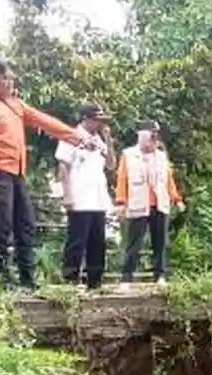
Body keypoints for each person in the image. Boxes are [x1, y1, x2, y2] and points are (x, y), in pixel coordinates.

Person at [0, 59, 97, 290]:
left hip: (17, 171)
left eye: (11, 78)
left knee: (25, 224)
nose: (11, 81)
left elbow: (44, 121)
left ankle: (28, 279)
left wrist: (77, 137)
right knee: (1, 225)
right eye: (6, 77)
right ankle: (0, 278)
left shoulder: (15, 104)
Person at [115, 121, 184, 284]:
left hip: (159, 204)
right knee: (134, 243)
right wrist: (121, 202)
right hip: (138, 203)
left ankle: (159, 275)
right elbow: (122, 179)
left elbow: (168, 180)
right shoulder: (129, 155)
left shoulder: (161, 156)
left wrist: (176, 198)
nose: (154, 140)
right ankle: (127, 276)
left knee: (160, 243)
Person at [56, 103, 115, 289]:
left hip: (98, 198)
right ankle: (70, 279)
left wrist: (108, 139)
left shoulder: (99, 140)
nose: (100, 124)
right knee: (77, 240)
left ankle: (95, 280)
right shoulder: (71, 136)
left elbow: (112, 165)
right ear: (86, 118)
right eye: (97, 119)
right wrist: (67, 195)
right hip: (79, 197)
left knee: (97, 242)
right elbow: (63, 166)